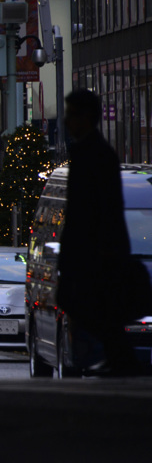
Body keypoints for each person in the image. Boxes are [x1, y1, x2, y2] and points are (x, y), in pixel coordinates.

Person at [58, 88, 137, 375]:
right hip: (88, 249)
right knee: (90, 307)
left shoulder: (96, 155)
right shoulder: (89, 153)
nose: (67, 122)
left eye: (72, 115)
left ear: (87, 117)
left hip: (94, 251)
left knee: (92, 306)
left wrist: (104, 250)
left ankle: (121, 359)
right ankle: (120, 358)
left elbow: (101, 209)